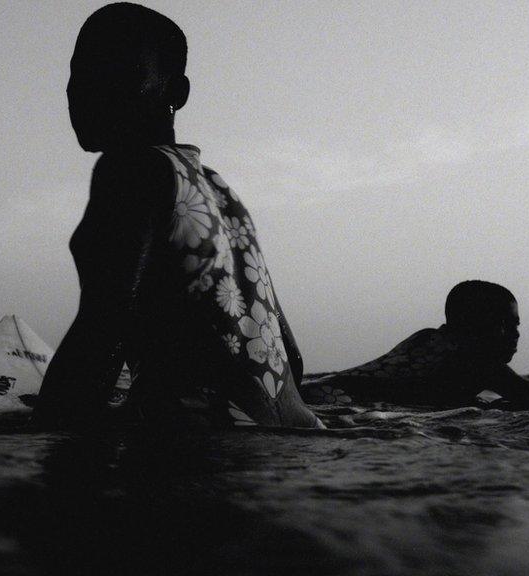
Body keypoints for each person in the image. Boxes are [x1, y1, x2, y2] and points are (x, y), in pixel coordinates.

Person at [33, 3, 322, 429]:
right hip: (295, 437)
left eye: (116, 72)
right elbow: (290, 359)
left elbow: (102, 330)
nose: (85, 89)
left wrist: (46, 439)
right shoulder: (221, 191)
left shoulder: (131, 170)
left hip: (202, 455)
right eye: (80, 71)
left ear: (177, 93)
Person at [300, 280, 529, 409]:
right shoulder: (476, 361)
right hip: (338, 404)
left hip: (314, 391)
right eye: (505, 324)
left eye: (516, 326)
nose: (514, 334)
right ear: (472, 323)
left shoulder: (428, 338)